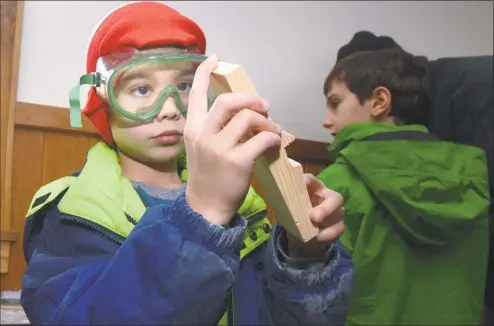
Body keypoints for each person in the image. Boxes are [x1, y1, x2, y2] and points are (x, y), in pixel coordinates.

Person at [20, 2, 354, 325]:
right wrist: (203, 214)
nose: (169, 109)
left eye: (183, 86)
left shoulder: (244, 205)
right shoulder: (73, 210)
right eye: (140, 89)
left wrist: (302, 256)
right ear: (102, 102)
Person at [317, 48, 491, 325]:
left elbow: (311, 295)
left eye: (335, 103)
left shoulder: (337, 183)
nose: (326, 120)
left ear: (379, 101)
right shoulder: (472, 180)